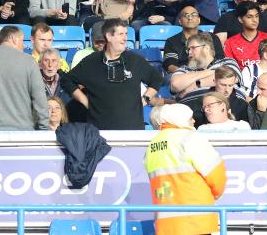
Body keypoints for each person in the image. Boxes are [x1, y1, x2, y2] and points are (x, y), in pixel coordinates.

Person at [62, 18, 163, 130]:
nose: (125, 39)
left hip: (132, 129)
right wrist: (84, 101)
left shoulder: (134, 60)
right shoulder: (91, 61)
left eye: (126, 34)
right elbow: (67, 80)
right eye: (121, 34)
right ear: (109, 36)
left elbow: (156, 79)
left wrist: (146, 98)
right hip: (99, 131)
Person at [144, 102, 227, 235]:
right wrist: (216, 194)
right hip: (195, 220)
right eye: (190, 118)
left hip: (165, 224)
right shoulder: (189, 138)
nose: (194, 121)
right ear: (180, 119)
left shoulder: (152, 145)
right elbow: (216, 173)